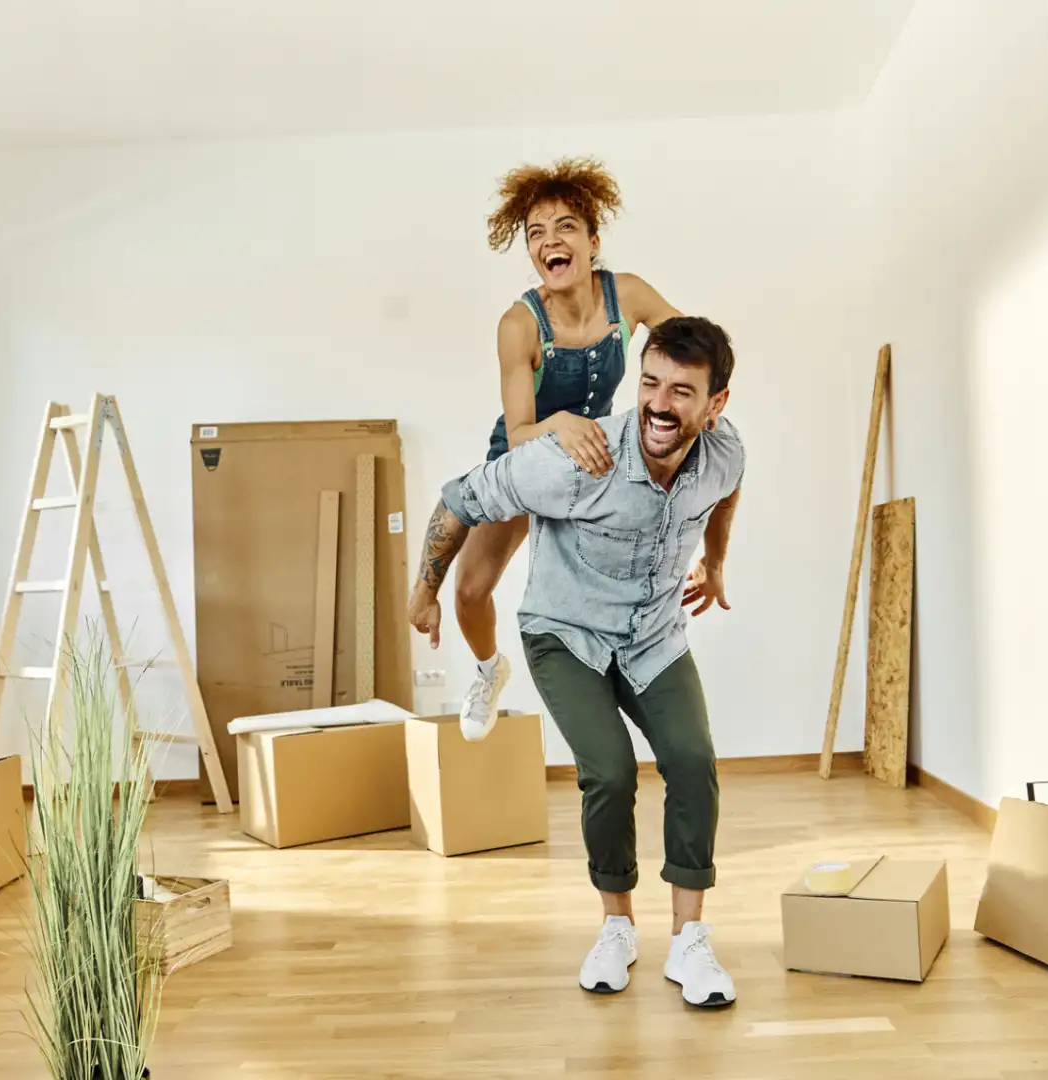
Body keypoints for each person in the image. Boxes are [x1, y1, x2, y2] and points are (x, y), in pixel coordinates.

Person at [408, 316, 745, 1007]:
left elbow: (725, 491)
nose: (658, 402)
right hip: (567, 634)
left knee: (692, 759)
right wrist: (426, 590)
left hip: (653, 636)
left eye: (683, 392)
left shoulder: (724, 454)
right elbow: (459, 498)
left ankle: (688, 941)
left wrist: (715, 562)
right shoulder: (575, 460)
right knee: (611, 772)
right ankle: (616, 927)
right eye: (650, 382)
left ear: (715, 407)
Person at [416, 157, 685, 742]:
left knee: (599, 583)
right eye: (535, 233)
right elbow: (517, 435)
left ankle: (624, 673)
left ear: (592, 242)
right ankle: (490, 671)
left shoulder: (628, 294)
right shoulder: (519, 323)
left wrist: (682, 401)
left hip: (597, 458)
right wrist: (559, 421)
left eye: (564, 227)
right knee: (470, 590)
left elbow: (689, 348)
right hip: (529, 452)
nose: (549, 242)